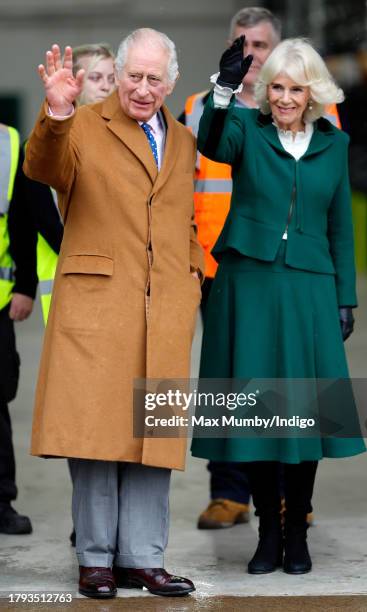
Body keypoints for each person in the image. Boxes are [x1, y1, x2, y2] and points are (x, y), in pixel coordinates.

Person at [23, 28, 204, 599]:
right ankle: (96, 557)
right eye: (134, 76)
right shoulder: (81, 125)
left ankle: (144, 559)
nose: (143, 89)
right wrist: (56, 110)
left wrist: (192, 275)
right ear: (118, 75)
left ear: (171, 83)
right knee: (97, 436)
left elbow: (182, 220)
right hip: (99, 306)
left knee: (152, 436)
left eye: (155, 79)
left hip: (164, 307)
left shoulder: (181, 140)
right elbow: (42, 167)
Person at [191, 37, 366, 575]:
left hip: (311, 288)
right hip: (249, 285)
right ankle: (268, 532)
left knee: (306, 413)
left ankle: (297, 530)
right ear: (265, 91)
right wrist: (223, 90)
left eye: (295, 88)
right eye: (277, 88)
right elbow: (211, 142)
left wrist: (345, 297)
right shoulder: (246, 129)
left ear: (314, 93)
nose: (285, 98)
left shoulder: (334, 145)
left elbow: (340, 225)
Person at [0, 125, 36, 535]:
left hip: (1, 299)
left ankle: (1, 501)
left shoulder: (10, 143)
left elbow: (22, 222)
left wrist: (25, 285)